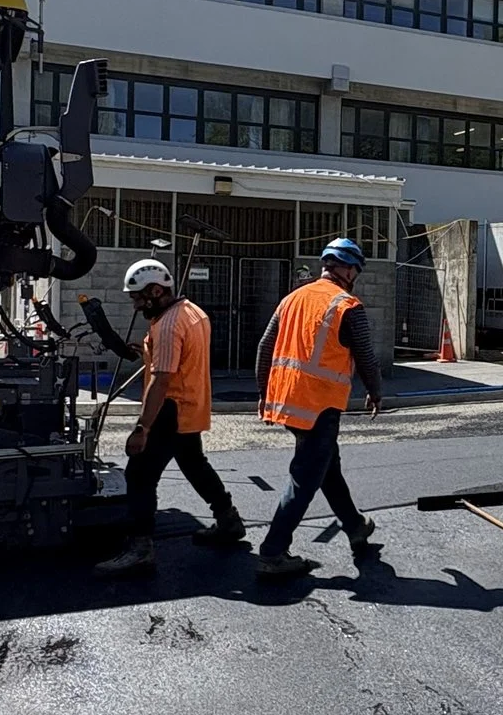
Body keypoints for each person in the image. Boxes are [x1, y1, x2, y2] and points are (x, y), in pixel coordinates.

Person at [95, 259, 245, 574]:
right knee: (194, 464)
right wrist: (149, 351)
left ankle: (140, 548)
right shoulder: (194, 313)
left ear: (156, 291)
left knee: (139, 476)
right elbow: (182, 357)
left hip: (169, 409)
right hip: (190, 406)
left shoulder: (167, 325)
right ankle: (228, 519)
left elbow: (162, 379)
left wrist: (142, 428)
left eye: (138, 297)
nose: (136, 305)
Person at [252, 237, 385, 580]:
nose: (355, 275)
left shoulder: (291, 299)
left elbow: (265, 348)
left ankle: (355, 526)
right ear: (347, 268)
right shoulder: (347, 306)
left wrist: (263, 392)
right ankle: (272, 552)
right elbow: (367, 359)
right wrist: (376, 392)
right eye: (355, 269)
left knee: (327, 466)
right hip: (320, 404)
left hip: (289, 401)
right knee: (305, 478)